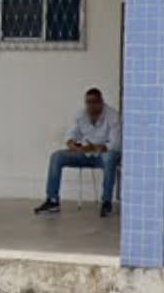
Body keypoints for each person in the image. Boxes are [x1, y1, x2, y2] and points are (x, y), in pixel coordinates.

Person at [34, 88, 121, 218]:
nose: (91, 105)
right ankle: (52, 200)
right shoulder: (81, 115)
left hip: (103, 154)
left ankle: (106, 202)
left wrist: (95, 147)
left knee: (110, 158)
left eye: (94, 102)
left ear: (101, 102)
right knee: (57, 156)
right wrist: (72, 144)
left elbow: (116, 144)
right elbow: (70, 135)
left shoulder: (113, 116)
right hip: (84, 153)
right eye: (88, 102)